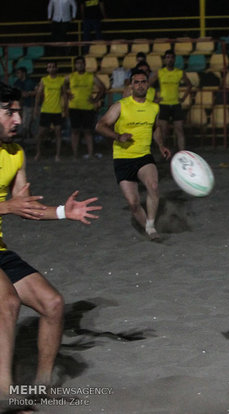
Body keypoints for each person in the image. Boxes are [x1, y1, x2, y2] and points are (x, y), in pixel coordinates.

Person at [0, 81, 101, 399]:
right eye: (9, 112)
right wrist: (6, 206)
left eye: (19, 112)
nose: (18, 120)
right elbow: (12, 206)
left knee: (54, 304)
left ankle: (40, 389)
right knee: (8, 302)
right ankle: (5, 394)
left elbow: (25, 207)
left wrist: (61, 212)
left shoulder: (15, 153)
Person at [96, 68, 171, 240]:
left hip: (144, 156)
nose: (140, 85)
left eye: (143, 81)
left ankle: (151, 228)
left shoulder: (154, 108)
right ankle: (147, 226)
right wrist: (117, 136)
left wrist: (160, 146)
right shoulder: (121, 106)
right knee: (133, 203)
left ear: (147, 85)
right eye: (136, 82)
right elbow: (100, 125)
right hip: (122, 159)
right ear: (131, 85)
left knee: (152, 185)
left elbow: (155, 128)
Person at [64, 56, 107, 160]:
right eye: (78, 63)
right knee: (75, 131)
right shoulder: (71, 76)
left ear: (84, 64)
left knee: (88, 131)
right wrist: (67, 94)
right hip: (74, 107)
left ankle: (90, 153)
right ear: (75, 65)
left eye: (82, 63)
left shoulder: (90, 76)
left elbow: (102, 87)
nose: (80, 65)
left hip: (88, 108)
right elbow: (61, 85)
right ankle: (75, 155)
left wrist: (95, 100)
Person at [149, 49, 191, 151]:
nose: (170, 60)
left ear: (174, 59)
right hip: (163, 104)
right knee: (163, 131)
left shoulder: (179, 72)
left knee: (179, 130)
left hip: (176, 104)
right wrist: (155, 98)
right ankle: (164, 152)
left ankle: (182, 153)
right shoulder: (160, 72)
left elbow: (189, 85)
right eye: (167, 57)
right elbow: (149, 84)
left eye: (172, 57)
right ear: (165, 60)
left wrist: (183, 97)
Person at [34, 61, 66, 162]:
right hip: (46, 110)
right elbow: (38, 95)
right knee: (41, 133)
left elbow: (64, 94)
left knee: (58, 133)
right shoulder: (44, 80)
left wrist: (65, 108)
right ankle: (38, 153)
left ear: (56, 68)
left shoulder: (61, 80)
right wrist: (36, 107)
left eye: (53, 67)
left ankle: (57, 155)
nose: (51, 68)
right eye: (49, 67)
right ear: (47, 69)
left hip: (57, 110)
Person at [12, 67, 37, 141]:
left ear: (24, 73)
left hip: (29, 104)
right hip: (19, 105)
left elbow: (37, 91)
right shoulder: (17, 82)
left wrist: (29, 93)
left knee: (27, 122)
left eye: (19, 73)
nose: (17, 75)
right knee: (21, 122)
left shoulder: (30, 82)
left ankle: (27, 137)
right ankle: (23, 137)